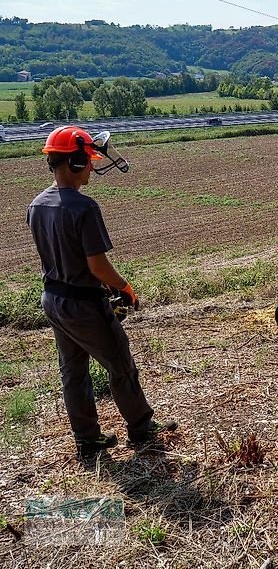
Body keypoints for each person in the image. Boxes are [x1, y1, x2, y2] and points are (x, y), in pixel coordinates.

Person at [27, 126, 177, 459]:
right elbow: (97, 266)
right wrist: (124, 287)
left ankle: (87, 438)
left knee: (73, 370)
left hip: (53, 299)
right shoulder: (83, 208)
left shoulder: (37, 205)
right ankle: (141, 427)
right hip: (83, 304)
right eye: (89, 160)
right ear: (76, 162)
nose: (93, 167)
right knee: (120, 363)